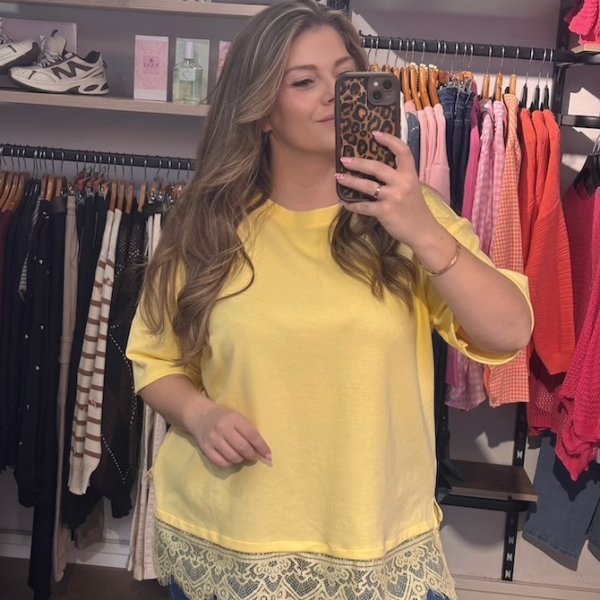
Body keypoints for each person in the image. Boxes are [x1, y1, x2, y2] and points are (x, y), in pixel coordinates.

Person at [126, 1, 533, 599]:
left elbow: (510, 332)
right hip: (232, 534)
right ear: (262, 111)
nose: (331, 96)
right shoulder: (207, 224)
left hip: (373, 542)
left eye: (344, 76)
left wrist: (422, 229)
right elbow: (154, 360)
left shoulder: (412, 218)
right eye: (303, 81)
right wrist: (199, 414)